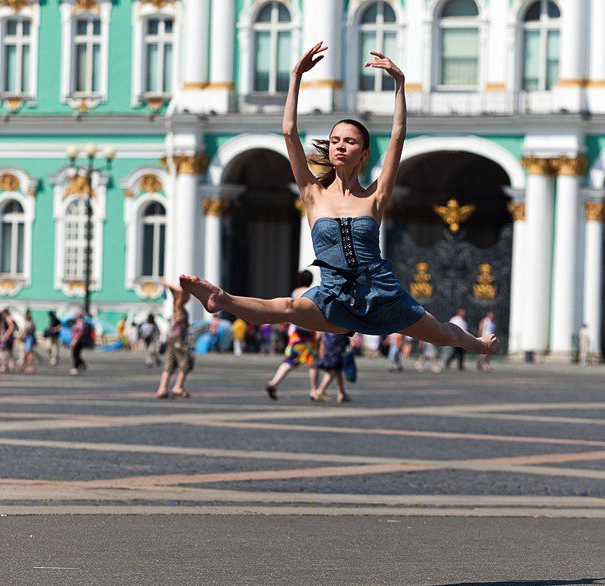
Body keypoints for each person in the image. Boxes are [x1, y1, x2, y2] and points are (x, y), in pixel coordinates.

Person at [178, 43, 498, 357]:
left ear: (364, 153)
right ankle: (222, 299)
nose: (340, 146)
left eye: (349, 141)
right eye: (335, 141)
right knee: (287, 307)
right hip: (334, 298)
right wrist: (295, 76)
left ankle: (478, 344)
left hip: (381, 295)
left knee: (441, 334)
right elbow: (289, 132)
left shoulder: (375, 195)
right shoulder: (313, 194)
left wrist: (400, 86)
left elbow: (398, 136)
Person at [266, 271, 319, 401]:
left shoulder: (294, 292)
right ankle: (314, 390)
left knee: (290, 360)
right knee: (313, 362)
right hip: (308, 330)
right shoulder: (312, 291)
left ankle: (274, 382)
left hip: (295, 331)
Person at [156, 280, 193, 399]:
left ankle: (162, 389)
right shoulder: (178, 305)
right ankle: (178, 387)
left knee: (170, 363)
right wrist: (167, 284)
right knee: (187, 361)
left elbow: (177, 292)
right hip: (177, 339)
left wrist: (169, 287)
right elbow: (181, 291)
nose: (189, 297)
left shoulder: (176, 304)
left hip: (171, 338)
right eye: (188, 295)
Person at [311, 332, 352, 403]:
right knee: (334, 367)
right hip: (339, 334)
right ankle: (320, 391)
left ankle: (342, 393)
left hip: (330, 335)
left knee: (338, 366)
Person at [0, 308, 17, 373]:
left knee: (2, 350)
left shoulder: (8, 318)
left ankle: (3, 365)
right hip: (10, 337)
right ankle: (11, 365)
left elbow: (11, 327)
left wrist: (6, 335)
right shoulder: (8, 318)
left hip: (7, 337)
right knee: (10, 351)